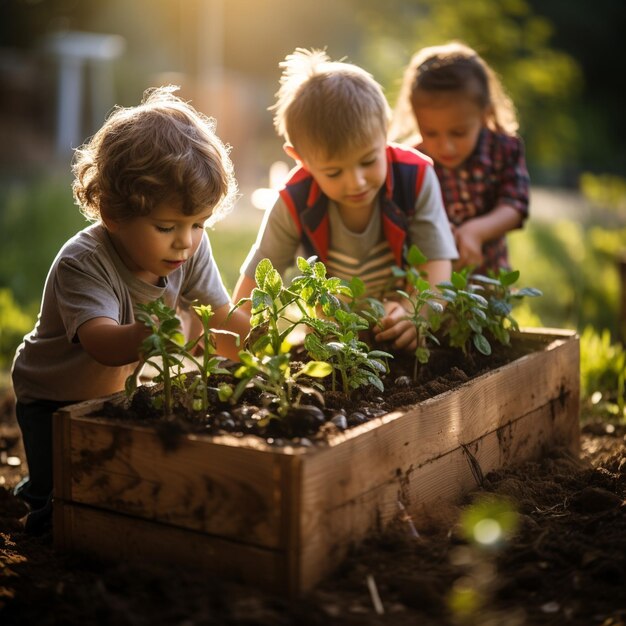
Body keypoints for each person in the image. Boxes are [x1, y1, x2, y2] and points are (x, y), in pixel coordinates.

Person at [11, 85, 249, 533]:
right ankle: (38, 504)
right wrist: (153, 331)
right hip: (52, 395)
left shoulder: (190, 248)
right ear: (112, 213)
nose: (186, 241)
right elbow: (101, 342)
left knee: (107, 480)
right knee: (60, 492)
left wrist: (269, 344)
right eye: (166, 226)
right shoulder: (83, 261)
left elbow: (220, 315)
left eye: (199, 224)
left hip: (111, 392)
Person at [233, 48, 457, 349]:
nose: (357, 182)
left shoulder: (414, 177)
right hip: (335, 333)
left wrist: (417, 315)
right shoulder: (293, 200)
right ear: (301, 160)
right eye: (334, 172)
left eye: (367, 162)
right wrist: (235, 345)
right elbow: (254, 284)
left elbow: (436, 263)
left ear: (385, 132)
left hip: (396, 320)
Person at [389, 41, 530, 275]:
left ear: (484, 114)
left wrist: (476, 231)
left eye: (458, 133)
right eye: (430, 132)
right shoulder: (412, 162)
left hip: (488, 277)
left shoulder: (504, 148)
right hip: (430, 279)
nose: (445, 145)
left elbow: (515, 205)